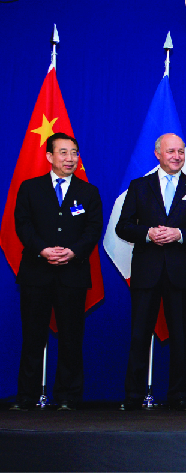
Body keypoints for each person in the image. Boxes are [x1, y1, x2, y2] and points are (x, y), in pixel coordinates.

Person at [116, 133, 186, 412]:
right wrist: (147, 233)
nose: (177, 156)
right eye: (171, 151)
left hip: (181, 272)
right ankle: (133, 396)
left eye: (181, 152)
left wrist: (179, 234)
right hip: (147, 271)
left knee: (181, 337)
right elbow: (122, 227)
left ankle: (178, 395)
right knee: (139, 334)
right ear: (157, 154)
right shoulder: (139, 186)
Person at [10, 133, 103, 411]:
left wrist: (73, 251)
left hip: (72, 273)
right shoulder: (30, 188)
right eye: (63, 153)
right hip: (37, 273)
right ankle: (26, 396)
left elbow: (92, 229)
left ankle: (68, 396)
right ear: (50, 157)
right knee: (33, 336)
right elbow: (23, 225)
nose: (70, 159)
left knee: (72, 337)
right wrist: (43, 250)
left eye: (74, 153)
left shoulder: (89, 192)